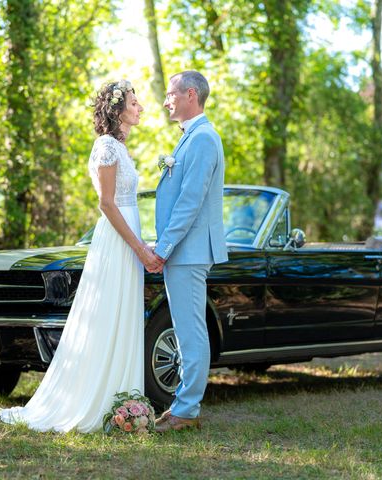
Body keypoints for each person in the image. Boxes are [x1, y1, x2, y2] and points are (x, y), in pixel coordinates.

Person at [0, 80, 160, 432]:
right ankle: (96, 402)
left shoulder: (120, 147)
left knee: (123, 317)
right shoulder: (105, 147)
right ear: (117, 109)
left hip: (128, 239)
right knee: (106, 316)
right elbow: (106, 203)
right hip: (117, 243)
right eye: (134, 102)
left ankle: (123, 401)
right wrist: (140, 248)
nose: (140, 107)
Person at [151, 70, 228, 433]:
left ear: (191, 95)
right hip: (185, 251)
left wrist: (163, 248)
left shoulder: (202, 139)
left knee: (192, 333)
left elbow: (190, 203)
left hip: (189, 251)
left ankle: (186, 410)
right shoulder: (192, 137)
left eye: (171, 94)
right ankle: (183, 404)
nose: (166, 101)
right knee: (185, 331)